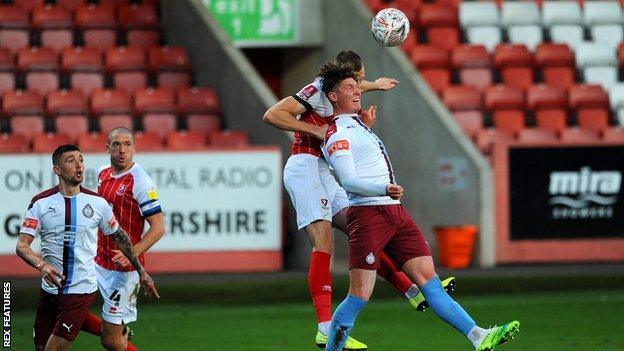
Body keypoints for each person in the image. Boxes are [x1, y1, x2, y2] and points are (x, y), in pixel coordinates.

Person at [319, 62, 520, 351]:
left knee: (430, 280)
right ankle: (332, 348)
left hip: (395, 212)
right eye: (349, 87)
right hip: (368, 215)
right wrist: (382, 188)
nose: (357, 91)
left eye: (357, 85)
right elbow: (348, 180)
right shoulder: (337, 133)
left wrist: (367, 130)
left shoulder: (358, 126)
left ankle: (478, 336)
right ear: (333, 96)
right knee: (359, 294)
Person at [263, 51, 456, 350]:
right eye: (358, 81)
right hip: (304, 167)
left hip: (324, 171)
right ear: (341, 82)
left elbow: (356, 92)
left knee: (364, 229)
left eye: (361, 82)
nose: (360, 87)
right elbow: (272, 114)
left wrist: (376, 86)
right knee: (324, 243)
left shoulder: (345, 91)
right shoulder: (315, 90)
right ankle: (325, 328)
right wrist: (316, 130)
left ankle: (410, 288)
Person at [15, 144, 159, 351]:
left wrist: (141, 271)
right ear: (57, 170)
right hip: (50, 291)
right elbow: (22, 245)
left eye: (81, 160)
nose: (79, 165)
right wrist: (42, 265)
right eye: (71, 161)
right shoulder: (40, 203)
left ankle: (115, 331)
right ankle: (115, 332)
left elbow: (121, 238)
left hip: (81, 288)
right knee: (40, 347)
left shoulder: (97, 204)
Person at [79, 127, 165, 351]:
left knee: (110, 342)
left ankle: (116, 332)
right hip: (97, 261)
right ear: (107, 148)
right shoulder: (102, 173)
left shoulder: (142, 183)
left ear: (134, 148)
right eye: (116, 144)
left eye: (127, 144)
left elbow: (158, 229)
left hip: (123, 273)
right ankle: (117, 330)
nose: (122, 150)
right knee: (67, 307)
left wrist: (132, 254)